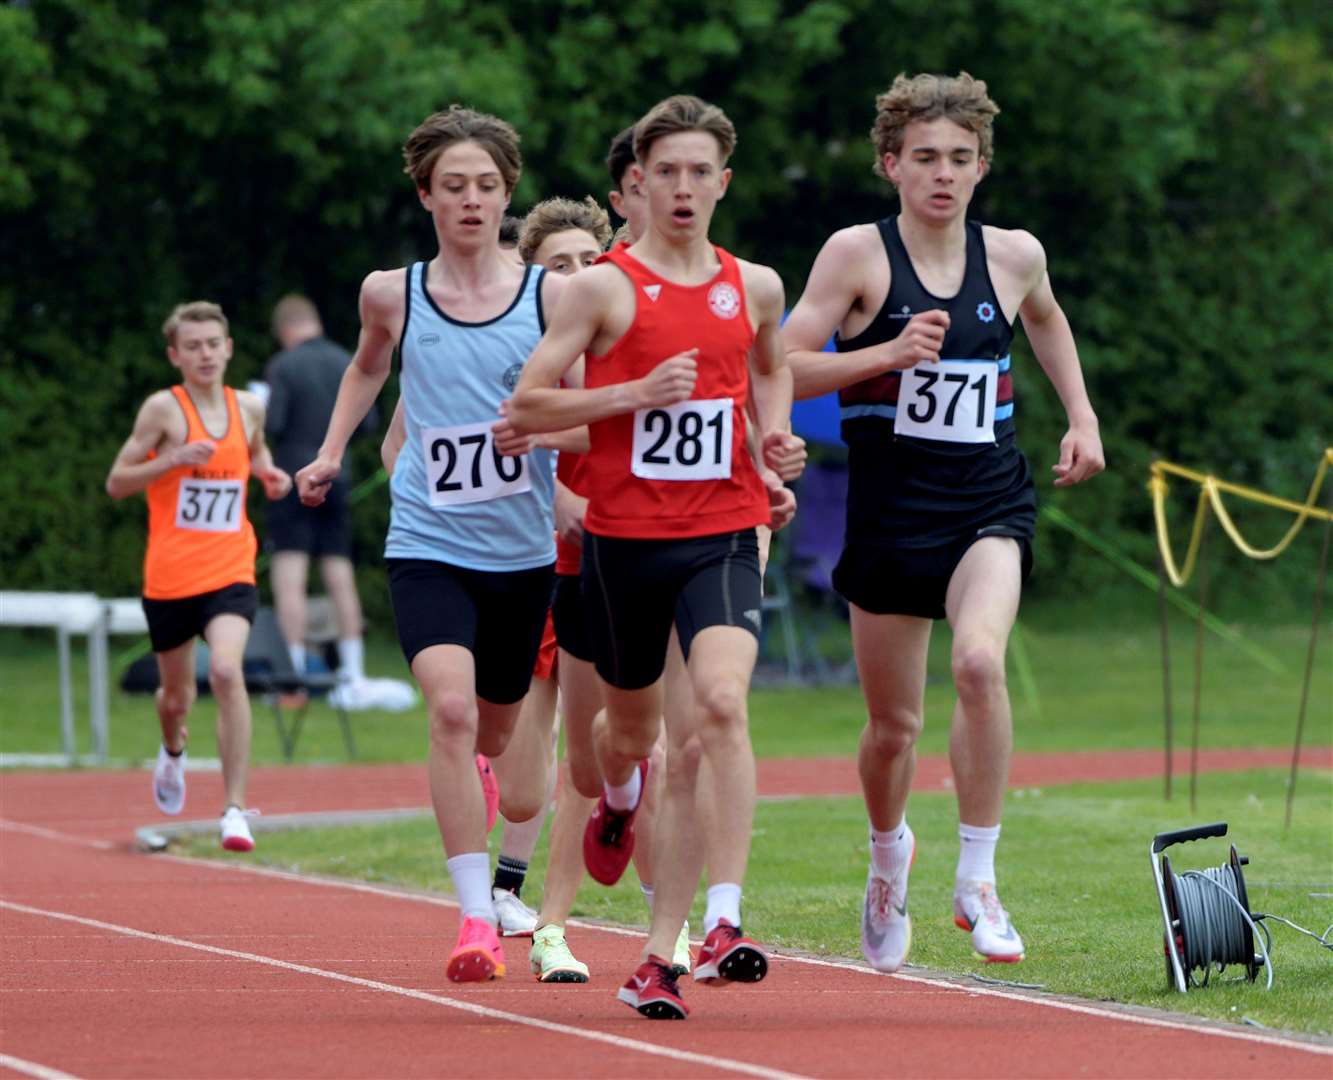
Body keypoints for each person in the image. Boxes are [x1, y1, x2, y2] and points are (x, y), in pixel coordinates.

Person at [783, 72, 1104, 972]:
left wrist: (1080, 418)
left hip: (987, 501)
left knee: (976, 661)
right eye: (924, 157)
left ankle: (978, 880)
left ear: (981, 166)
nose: (942, 174)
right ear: (890, 164)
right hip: (890, 514)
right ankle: (889, 860)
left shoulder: (1013, 255)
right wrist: (882, 351)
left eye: (960, 159)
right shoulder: (855, 256)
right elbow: (777, 365)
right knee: (892, 729)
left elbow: (1045, 323)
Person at [510, 94, 806, 1019]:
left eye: (698, 172)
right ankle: (616, 797)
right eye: (664, 172)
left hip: (721, 530)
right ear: (638, 181)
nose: (682, 188)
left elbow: (769, 364)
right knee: (626, 742)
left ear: (724, 181)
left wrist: (776, 438)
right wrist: (633, 392)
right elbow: (527, 406)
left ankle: (696, 933)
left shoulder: (753, 283)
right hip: (621, 544)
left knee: (715, 710)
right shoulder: (600, 286)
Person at [296, 106, 566, 984]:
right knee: (448, 713)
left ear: (507, 194)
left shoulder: (549, 296)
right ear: (425, 195)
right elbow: (369, 365)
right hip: (428, 539)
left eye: (486, 186)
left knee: (494, 732)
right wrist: (333, 449)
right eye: (453, 186)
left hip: (521, 552)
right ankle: (474, 915)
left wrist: (547, 434)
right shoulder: (392, 292)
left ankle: (482, 782)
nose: (471, 201)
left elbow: (586, 399)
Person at [106, 301, 292, 852]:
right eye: (193, 346)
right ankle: (173, 750)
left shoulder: (249, 407)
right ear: (175, 355)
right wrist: (172, 459)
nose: (205, 354)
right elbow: (118, 481)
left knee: (229, 673)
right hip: (170, 575)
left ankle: (234, 808)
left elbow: (255, 453)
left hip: (230, 567)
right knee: (175, 698)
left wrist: (270, 475)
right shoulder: (163, 410)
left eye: (213, 343)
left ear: (229, 348)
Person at [264, 294, 377, 701]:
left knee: (290, 573)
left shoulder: (284, 365)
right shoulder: (345, 359)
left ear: (284, 331)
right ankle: (354, 673)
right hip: (337, 474)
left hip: (295, 477)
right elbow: (367, 425)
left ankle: (293, 675)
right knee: (339, 570)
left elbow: (274, 422)